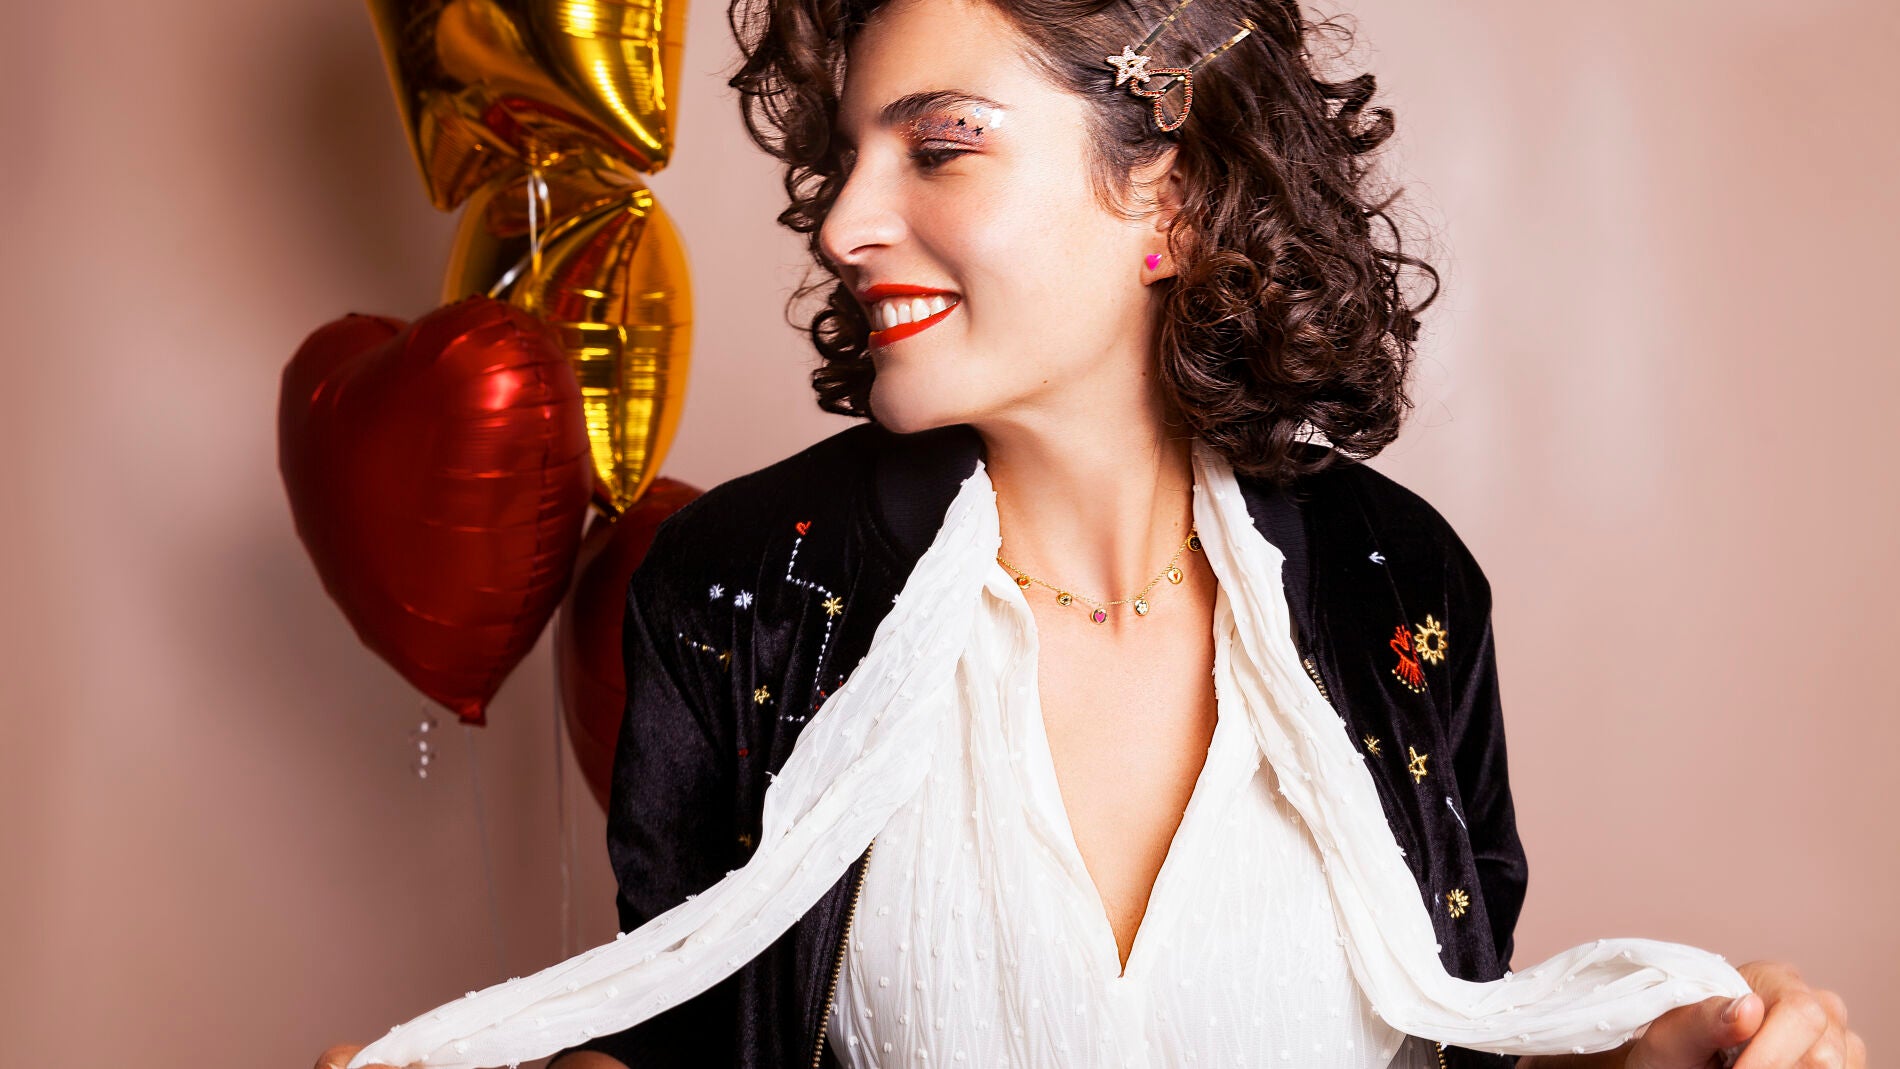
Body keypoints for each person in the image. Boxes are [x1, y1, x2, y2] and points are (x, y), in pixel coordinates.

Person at [318, 0, 1862, 1066]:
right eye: (848, 157)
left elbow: (1461, 1036)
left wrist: (1671, 1048)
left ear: (1169, 202)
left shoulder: (1403, 584)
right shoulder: (739, 591)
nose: (844, 223)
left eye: (939, 145)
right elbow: (675, 1046)